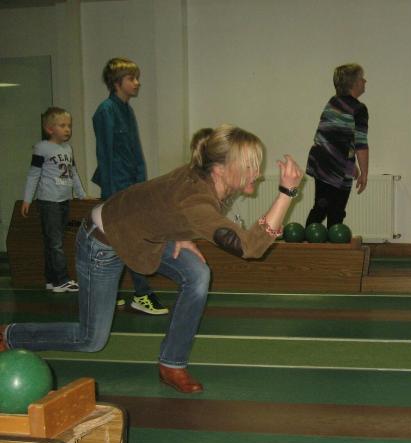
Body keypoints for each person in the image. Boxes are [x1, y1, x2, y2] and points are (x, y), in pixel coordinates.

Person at [2, 125, 303, 394]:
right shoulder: (196, 198)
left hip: (141, 237)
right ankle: (10, 334)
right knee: (90, 339)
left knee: (197, 274)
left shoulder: (203, 177)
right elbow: (250, 247)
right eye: (249, 166)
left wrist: (180, 233)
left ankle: (172, 364)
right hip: (103, 241)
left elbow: (164, 202)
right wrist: (287, 192)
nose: (257, 173)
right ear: (220, 169)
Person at [92, 57, 167, 315]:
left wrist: (142, 189)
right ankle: (141, 293)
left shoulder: (127, 110)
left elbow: (136, 154)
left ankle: (110, 292)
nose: (137, 83)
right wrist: (111, 195)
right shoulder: (105, 111)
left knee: (122, 241)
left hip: (132, 188)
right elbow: (105, 155)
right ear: (117, 82)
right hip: (117, 190)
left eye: (137, 78)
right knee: (130, 240)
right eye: (131, 78)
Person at [21, 106, 87, 293]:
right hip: (49, 201)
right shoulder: (42, 148)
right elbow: (33, 174)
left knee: (54, 241)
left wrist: (81, 194)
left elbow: (73, 173)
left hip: (64, 200)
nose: (67, 129)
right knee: (55, 243)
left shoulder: (68, 148)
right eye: (62, 125)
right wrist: (27, 199)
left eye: (69, 126)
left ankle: (51, 279)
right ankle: (61, 280)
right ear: (50, 129)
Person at [305, 63, 369, 227]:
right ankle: (323, 242)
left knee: (321, 208)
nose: (365, 81)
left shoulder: (333, 103)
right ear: (354, 83)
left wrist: (350, 165)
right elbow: (361, 145)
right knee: (335, 211)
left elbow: (331, 137)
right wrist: (364, 173)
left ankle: (308, 241)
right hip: (334, 166)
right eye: (362, 79)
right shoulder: (358, 109)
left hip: (322, 163)